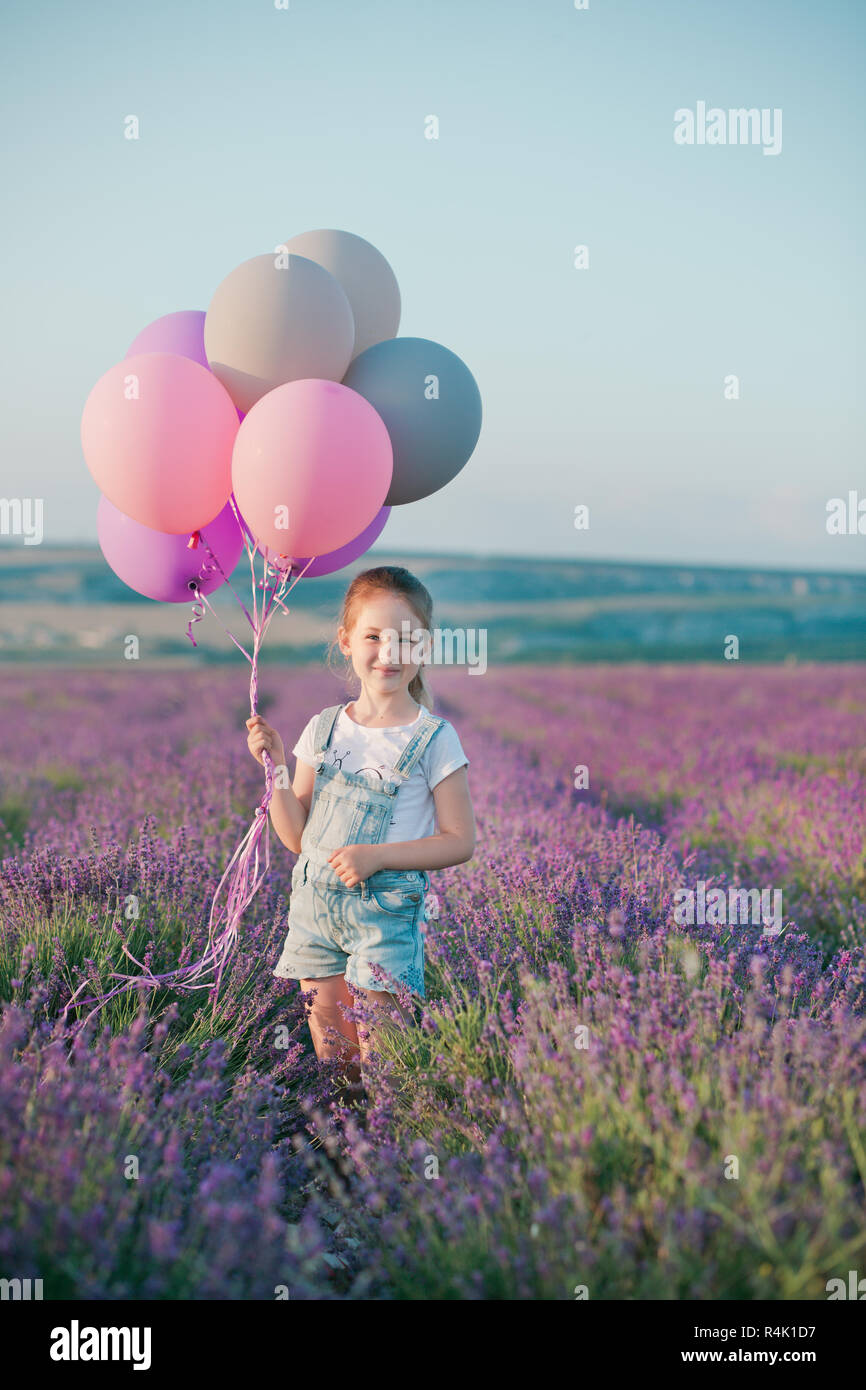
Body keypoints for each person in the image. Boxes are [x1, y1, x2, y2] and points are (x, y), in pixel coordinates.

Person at [246, 565, 476, 1108]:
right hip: (314, 916)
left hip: (383, 915)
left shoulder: (434, 739)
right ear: (347, 643)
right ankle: (344, 1168)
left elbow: (460, 840)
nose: (387, 652)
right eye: (373, 636)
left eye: (404, 638)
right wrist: (275, 767)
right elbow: (297, 838)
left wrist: (377, 856)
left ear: (426, 646)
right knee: (338, 1073)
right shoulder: (323, 728)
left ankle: (390, 1170)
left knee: (386, 1069)